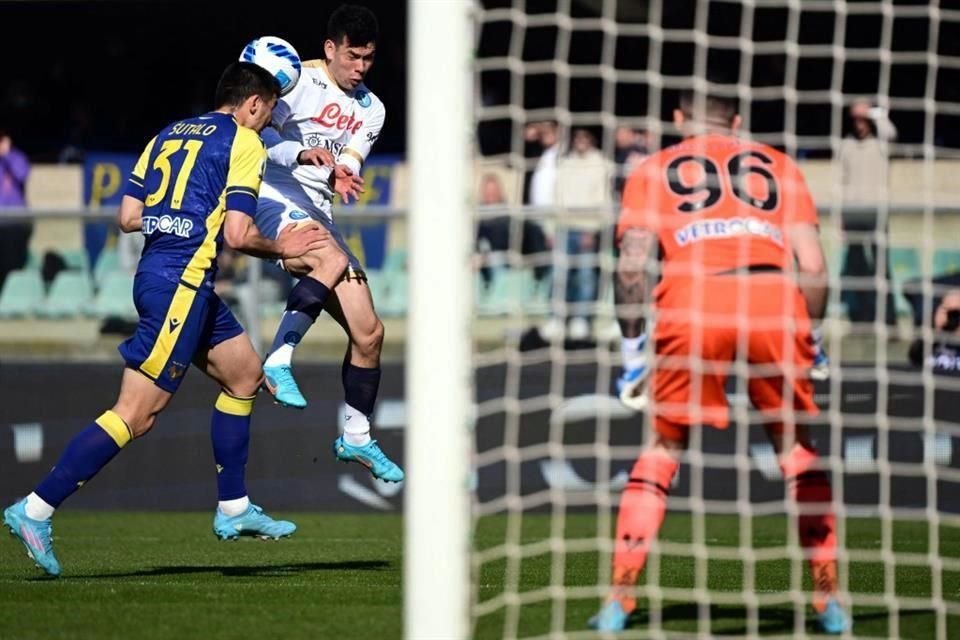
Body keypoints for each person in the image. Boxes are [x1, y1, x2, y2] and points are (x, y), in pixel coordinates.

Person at [2, 61, 329, 577]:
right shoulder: (244, 143)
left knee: (245, 375)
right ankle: (35, 509)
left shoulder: (167, 134)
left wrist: (177, 217)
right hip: (181, 283)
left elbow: (127, 217)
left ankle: (234, 508)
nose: (267, 125)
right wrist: (284, 247)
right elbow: (241, 235)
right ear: (252, 104)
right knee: (136, 414)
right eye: (267, 114)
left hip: (166, 277)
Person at [595, 88, 852, 634]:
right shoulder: (780, 166)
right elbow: (815, 267)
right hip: (773, 299)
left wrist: (633, 349)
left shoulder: (654, 168)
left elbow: (631, 267)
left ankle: (620, 597)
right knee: (796, 448)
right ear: (736, 120)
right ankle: (829, 598)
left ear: (678, 118)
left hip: (694, 301)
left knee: (662, 448)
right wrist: (812, 334)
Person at [253, 4, 403, 483]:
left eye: (369, 59)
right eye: (353, 57)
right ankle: (277, 360)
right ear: (330, 49)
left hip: (319, 209)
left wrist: (345, 171)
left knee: (370, 332)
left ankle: (355, 436)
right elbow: (254, 137)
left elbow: (354, 155)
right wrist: (300, 151)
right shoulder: (295, 81)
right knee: (330, 256)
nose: (360, 68)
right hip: (272, 195)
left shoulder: (372, 108)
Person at [839, 98, 898, 329]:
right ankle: (861, 319)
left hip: (876, 215)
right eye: (856, 119)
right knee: (856, 270)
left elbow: (890, 132)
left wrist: (873, 112)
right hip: (853, 216)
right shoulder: (846, 145)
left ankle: (889, 319)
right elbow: (842, 184)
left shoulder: (881, 143)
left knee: (882, 268)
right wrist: (841, 219)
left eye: (864, 119)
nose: (860, 124)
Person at [554, 128, 613, 340]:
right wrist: (552, 227)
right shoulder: (564, 163)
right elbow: (557, 196)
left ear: (591, 139)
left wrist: (593, 228)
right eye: (577, 137)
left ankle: (581, 320)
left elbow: (602, 198)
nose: (580, 141)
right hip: (563, 227)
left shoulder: (600, 163)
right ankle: (558, 319)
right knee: (560, 276)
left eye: (585, 137)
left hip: (587, 228)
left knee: (585, 276)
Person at [0, 129, 33, 290]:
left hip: (14, 224)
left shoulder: (17, 158)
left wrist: (6, 155)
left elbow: (22, 174)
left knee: (12, 265)